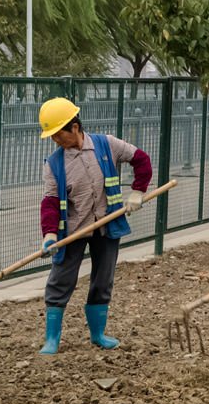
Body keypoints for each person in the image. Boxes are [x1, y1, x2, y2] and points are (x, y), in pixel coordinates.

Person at [36, 96, 152, 354]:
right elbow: (51, 201)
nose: (56, 140)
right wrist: (50, 234)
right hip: (74, 230)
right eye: (52, 136)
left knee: (103, 279)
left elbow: (141, 159)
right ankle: (52, 338)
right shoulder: (55, 164)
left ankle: (98, 334)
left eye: (58, 134)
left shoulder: (106, 144)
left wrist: (137, 192)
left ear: (74, 127)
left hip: (107, 225)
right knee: (61, 279)